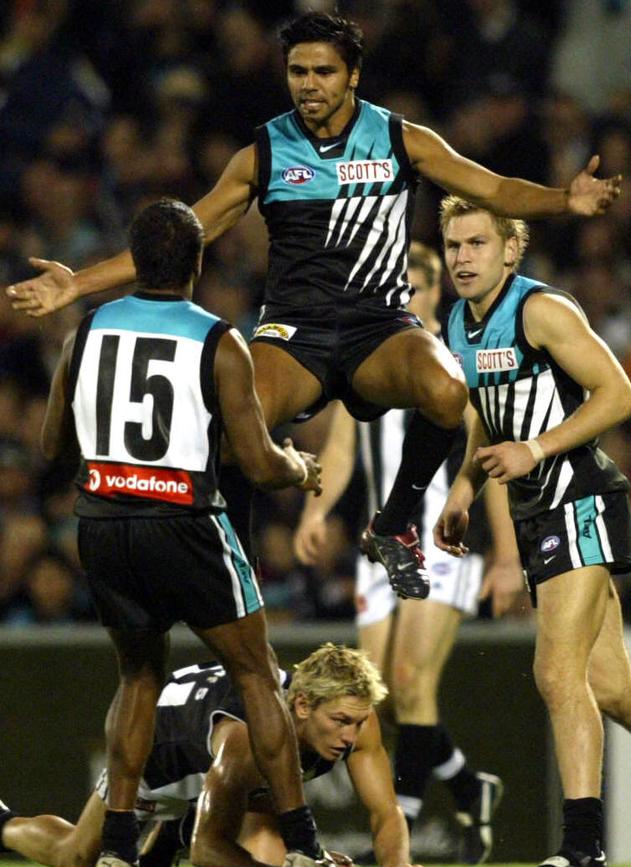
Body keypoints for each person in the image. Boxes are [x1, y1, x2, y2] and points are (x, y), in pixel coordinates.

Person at [6, 11, 622, 601]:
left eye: (323, 71)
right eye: (298, 71)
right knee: (228, 432)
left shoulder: (402, 139)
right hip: (292, 333)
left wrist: (565, 200)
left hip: (379, 327)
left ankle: (393, 524)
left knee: (444, 389)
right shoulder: (264, 153)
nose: (309, 84)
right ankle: (234, 573)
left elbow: (491, 188)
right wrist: (76, 285)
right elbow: (182, 234)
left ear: (352, 75)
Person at [37, 198, 328, 867]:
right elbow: (256, 461)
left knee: (139, 677)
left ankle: (115, 846)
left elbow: (52, 442)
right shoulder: (218, 340)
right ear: (197, 263)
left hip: (105, 522)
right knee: (257, 674)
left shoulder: (87, 330)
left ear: (136, 262)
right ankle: (304, 845)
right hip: (187, 523)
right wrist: (299, 467)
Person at [434, 196, 631, 867]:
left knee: (557, 672)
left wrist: (537, 448)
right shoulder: (458, 323)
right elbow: (484, 412)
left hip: (579, 498)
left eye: (475, 244)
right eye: (453, 245)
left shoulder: (541, 309)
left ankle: (583, 848)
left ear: (509, 249)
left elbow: (618, 393)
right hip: (536, 513)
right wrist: (465, 486)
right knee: (612, 688)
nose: (462, 258)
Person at [294, 242, 521, 864]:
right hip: (380, 548)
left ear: (435, 294)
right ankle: (469, 785)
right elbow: (342, 450)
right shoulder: (364, 356)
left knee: (407, 682)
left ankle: (404, 827)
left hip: (443, 540)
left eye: (418, 288)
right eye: (400, 288)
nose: (408, 299)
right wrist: (315, 510)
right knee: (382, 702)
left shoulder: (454, 361)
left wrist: (505, 555)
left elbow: (490, 455)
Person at [0, 643, 421, 867]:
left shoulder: (357, 718)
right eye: (341, 721)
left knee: (274, 845)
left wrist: (398, 864)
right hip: (159, 755)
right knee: (75, 857)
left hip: (218, 769)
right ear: (303, 706)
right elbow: (208, 852)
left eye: (357, 721)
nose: (350, 736)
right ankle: (3, 825)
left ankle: (173, 833)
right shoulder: (245, 739)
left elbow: (386, 812)